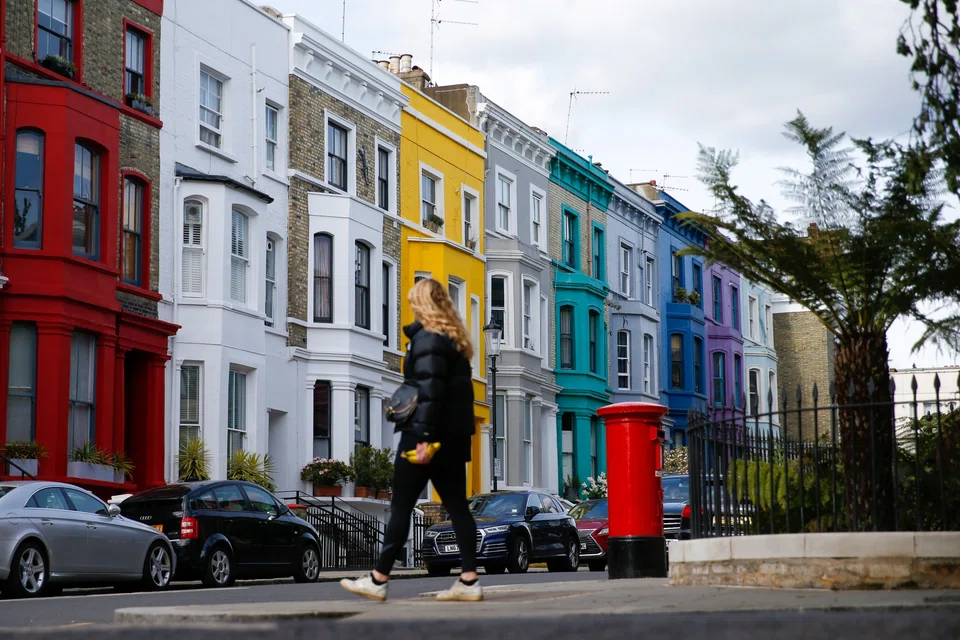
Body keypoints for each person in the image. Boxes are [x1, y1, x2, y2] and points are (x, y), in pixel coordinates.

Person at [340, 278, 482, 603]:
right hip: (452, 440)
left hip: (424, 437)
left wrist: (424, 440)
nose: (411, 307)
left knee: (401, 506)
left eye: (414, 301)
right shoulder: (454, 341)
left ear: (424, 305)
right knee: (459, 508)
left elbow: (430, 393)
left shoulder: (429, 339)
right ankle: (469, 580)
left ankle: (377, 580)